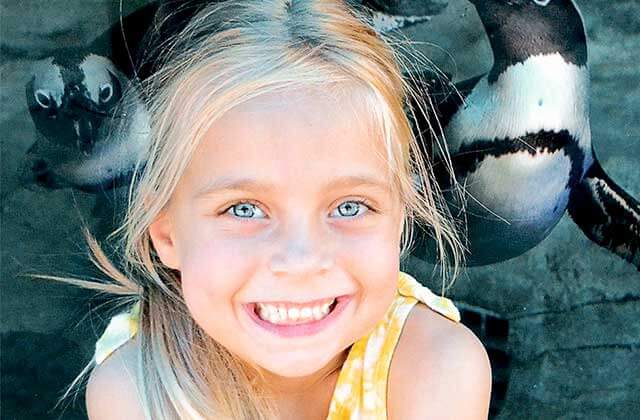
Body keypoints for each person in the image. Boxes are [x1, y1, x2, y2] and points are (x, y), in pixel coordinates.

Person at [52, 0, 492, 418]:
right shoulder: (138, 389)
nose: (301, 260)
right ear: (166, 232)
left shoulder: (438, 369)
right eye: (243, 209)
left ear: (399, 218)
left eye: (350, 206)